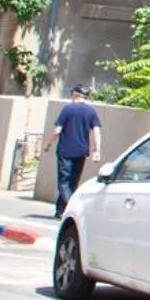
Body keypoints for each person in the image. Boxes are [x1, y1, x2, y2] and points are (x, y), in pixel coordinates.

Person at [49, 86, 102, 218]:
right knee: (73, 181)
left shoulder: (68, 109)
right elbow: (96, 132)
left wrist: (48, 144)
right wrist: (97, 151)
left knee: (63, 181)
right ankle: (60, 211)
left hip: (65, 150)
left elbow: (57, 130)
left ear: (74, 95)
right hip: (81, 151)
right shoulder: (91, 112)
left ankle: (72, 206)